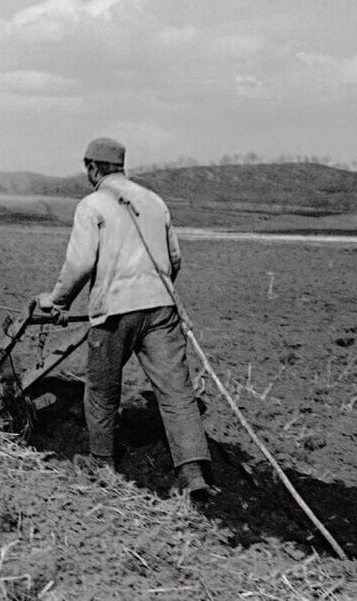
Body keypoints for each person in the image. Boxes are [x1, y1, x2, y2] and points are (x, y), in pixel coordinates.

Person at [35, 137, 212, 498]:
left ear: (92, 169)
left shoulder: (92, 204)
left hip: (115, 310)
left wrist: (57, 300)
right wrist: (153, 291)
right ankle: (193, 474)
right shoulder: (155, 201)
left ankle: (102, 464)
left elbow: (81, 262)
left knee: (101, 390)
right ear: (122, 167)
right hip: (162, 308)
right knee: (177, 392)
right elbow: (174, 259)